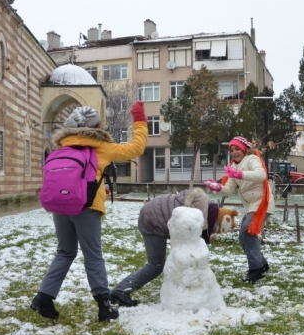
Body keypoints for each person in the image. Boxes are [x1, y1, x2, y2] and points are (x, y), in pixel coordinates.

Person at [31, 103, 147, 322]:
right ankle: (104, 306)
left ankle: (43, 297)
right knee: (93, 254)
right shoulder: (101, 146)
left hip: (60, 204)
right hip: (87, 206)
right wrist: (140, 120)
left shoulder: (62, 147)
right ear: (96, 126)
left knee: (65, 252)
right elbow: (136, 148)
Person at [110, 188, 238, 307]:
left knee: (160, 264)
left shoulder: (202, 205)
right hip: (153, 219)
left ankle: (121, 290)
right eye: (213, 230)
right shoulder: (198, 213)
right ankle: (120, 291)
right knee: (155, 266)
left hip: (152, 213)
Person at [204, 136, 275, 283]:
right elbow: (229, 189)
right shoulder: (233, 166)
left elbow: (261, 175)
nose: (234, 152)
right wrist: (218, 187)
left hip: (262, 203)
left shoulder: (251, 159)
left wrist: (239, 174)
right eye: (232, 150)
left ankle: (256, 269)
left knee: (247, 231)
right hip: (250, 206)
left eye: (237, 149)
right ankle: (262, 264)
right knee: (244, 236)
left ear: (244, 149)